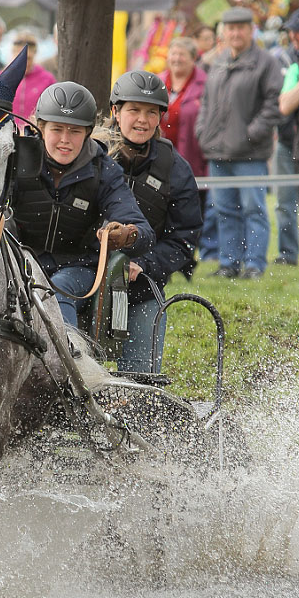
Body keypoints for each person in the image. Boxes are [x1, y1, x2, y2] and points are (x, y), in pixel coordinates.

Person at [11, 81, 155, 330]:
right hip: (18, 262)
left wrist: (125, 234)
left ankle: (69, 361)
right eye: (57, 129)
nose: (65, 140)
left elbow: (144, 231)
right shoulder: (14, 161)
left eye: (75, 131)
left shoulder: (104, 170)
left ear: (87, 133)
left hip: (78, 267)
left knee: (59, 287)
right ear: (40, 127)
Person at [96, 70, 202, 373]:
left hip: (143, 289)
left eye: (150, 112)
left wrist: (146, 265)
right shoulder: (92, 155)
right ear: (116, 112)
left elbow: (183, 239)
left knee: (141, 379)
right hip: (86, 282)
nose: (142, 120)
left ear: (160, 118)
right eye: (134, 110)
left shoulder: (176, 170)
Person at [195, 6, 282, 280]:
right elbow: (206, 102)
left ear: (250, 30)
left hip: (250, 154)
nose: (235, 33)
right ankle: (228, 264)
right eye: (230, 28)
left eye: (240, 28)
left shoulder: (265, 62)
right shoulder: (219, 62)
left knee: (254, 210)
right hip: (217, 153)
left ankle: (254, 264)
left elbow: (273, 104)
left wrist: (250, 134)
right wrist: (203, 131)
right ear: (225, 32)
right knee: (223, 210)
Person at [159, 36, 214, 260]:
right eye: (173, 53)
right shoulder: (158, 83)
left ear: (194, 58)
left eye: (182, 54)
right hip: (163, 160)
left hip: (194, 159)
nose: (177, 58)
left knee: (193, 210)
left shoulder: (205, 84)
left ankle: (190, 256)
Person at [278, 7, 299, 274]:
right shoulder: (295, 65)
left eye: (298, 30)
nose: (292, 35)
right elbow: (285, 104)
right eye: (291, 30)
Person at [9, 30, 56, 125]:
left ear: (35, 55)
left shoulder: (47, 79)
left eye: (28, 58)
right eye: (18, 58)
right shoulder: (2, 78)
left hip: (35, 133)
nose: (23, 63)